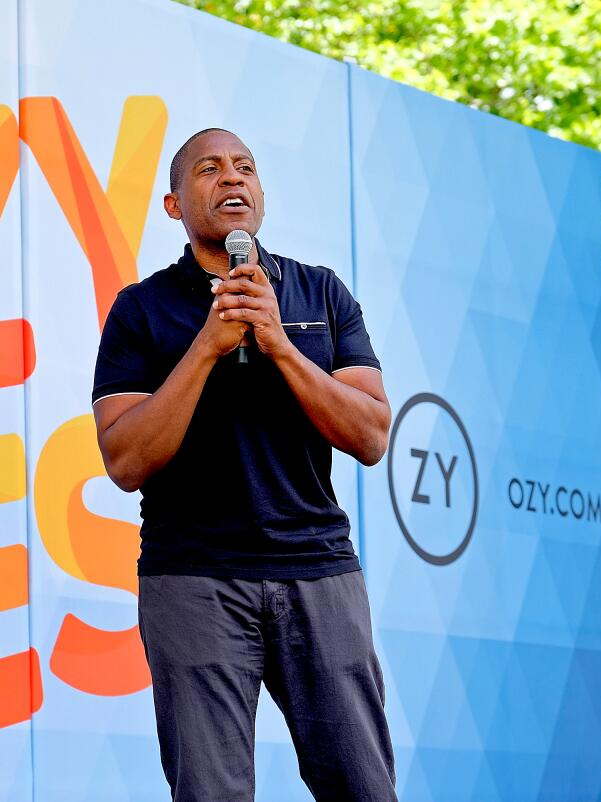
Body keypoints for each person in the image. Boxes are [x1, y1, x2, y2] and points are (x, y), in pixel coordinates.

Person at [91, 128, 397, 801]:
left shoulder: (320, 295)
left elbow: (373, 436)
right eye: (209, 169)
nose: (232, 180)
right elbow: (125, 459)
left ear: (259, 194)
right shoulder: (141, 310)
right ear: (174, 204)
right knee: (211, 793)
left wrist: (281, 347)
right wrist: (205, 347)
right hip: (193, 578)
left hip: (319, 571)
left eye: (245, 168)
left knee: (364, 786)